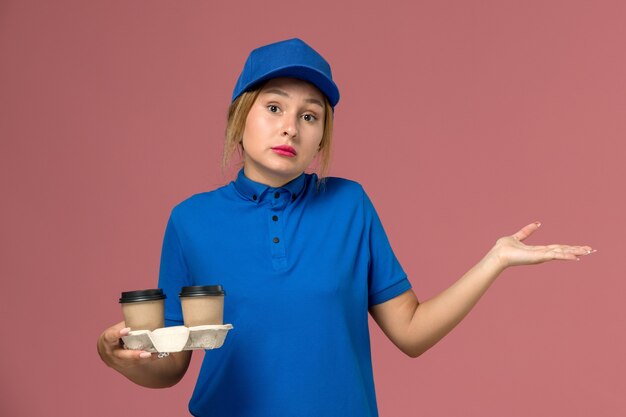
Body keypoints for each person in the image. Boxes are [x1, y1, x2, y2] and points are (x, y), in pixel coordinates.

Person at [97, 38, 594, 416]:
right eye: (274, 107)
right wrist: (117, 356)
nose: (291, 126)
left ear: (320, 137)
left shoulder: (349, 205)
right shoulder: (190, 221)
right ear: (240, 117)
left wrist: (495, 260)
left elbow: (412, 332)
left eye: (309, 116)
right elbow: (173, 363)